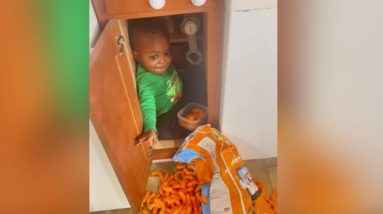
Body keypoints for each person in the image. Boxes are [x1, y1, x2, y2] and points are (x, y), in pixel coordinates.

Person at [129, 18, 191, 147]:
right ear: (137, 56)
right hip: (166, 113)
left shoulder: (158, 64)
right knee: (164, 132)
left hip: (179, 97)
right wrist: (150, 128)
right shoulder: (146, 80)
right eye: (154, 57)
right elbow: (147, 104)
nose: (163, 61)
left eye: (167, 53)